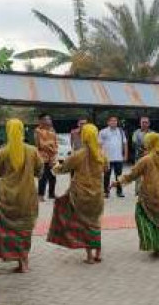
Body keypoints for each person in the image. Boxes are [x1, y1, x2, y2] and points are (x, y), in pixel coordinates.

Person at [0, 119, 43, 273]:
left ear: (8, 131)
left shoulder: (2, 152)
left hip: (6, 196)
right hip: (27, 196)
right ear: (22, 131)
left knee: (8, 229)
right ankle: (24, 262)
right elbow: (39, 172)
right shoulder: (32, 150)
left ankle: (13, 256)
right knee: (25, 229)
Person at [47, 124, 107, 264]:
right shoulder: (101, 153)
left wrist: (54, 166)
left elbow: (64, 168)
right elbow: (106, 167)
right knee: (95, 222)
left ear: (84, 136)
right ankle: (98, 253)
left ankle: (90, 257)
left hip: (80, 193)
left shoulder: (79, 154)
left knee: (85, 223)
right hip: (97, 193)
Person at [111, 133, 159, 257]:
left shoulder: (146, 159)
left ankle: (152, 243)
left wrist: (118, 182)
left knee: (142, 217)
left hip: (148, 195)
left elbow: (132, 174)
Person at [99, 116, 128, 198]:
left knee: (119, 176)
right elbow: (99, 145)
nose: (114, 122)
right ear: (108, 122)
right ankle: (106, 192)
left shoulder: (121, 131)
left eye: (115, 121)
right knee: (106, 176)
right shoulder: (103, 132)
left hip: (118, 158)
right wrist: (100, 156)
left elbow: (125, 143)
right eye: (111, 121)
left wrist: (125, 155)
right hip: (107, 158)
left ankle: (119, 191)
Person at [35, 113, 58, 202]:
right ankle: (40, 195)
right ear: (41, 121)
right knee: (43, 176)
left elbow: (55, 143)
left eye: (49, 119)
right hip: (42, 157)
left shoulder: (52, 130)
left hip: (52, 157)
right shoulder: (38, 131)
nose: (49, 121)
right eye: (46, 119)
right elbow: (41, 145)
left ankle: (51, 194)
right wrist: (51, 147)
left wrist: (54, 150)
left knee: (53, 175)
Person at [132, 116, 153, 194]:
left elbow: (155, 144)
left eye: (146, 122)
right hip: (139, 156)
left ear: (149, 123)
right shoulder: (136, 132)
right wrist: (144, 150)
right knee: (138, 174)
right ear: (140, 123)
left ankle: (148, 190)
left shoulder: (153, 133)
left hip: (150, 157)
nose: (144, 124)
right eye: (143, 122)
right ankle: (138, 191)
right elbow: (135, 143)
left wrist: (149, 151)